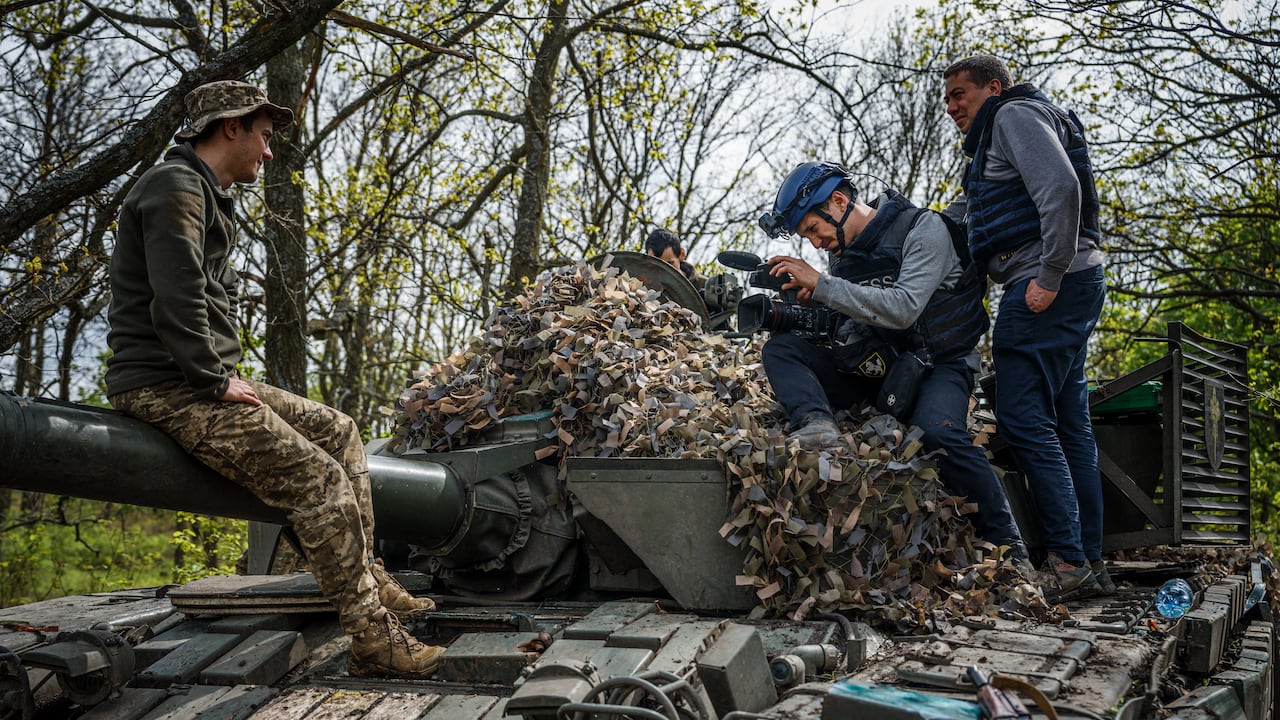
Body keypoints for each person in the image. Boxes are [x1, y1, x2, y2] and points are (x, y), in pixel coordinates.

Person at [104, 80, 443, 677]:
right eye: (263, 136)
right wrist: (212, 379)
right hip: (167, 386)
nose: (268, 151)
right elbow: (175, 294)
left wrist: (216, 375)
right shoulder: (175, 187)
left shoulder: (200, 191)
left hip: (195, 378)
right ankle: (373, 641)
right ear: (230, 126)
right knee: (319, 480)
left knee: (340, 430)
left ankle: (369, 576)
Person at [758, 161, 1027, 560]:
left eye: (814, 229)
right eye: (807, 237)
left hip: (941, 365)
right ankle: (817, 424)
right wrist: (811, 300)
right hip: (880, 369)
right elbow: (850, 314)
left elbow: (903, 308)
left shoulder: (923, 230)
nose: (815, 244)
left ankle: (1009, 544)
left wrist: (825, 286)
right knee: (780, 348)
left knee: (937, 432)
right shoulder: (842, 256)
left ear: (838, 201)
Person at [942, 55, 1110, 601]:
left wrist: (1048, 275)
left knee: (1024, 418)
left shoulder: (1013, 116)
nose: (952, 107)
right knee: (1069, 425)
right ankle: (1088, 559)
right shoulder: (1013, 127)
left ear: (994, 88)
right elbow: (971, 211)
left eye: (960, 94)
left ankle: (1066, 563)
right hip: (1074, 283)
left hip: (1044, 286)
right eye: (946, 98)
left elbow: (1061, 188)